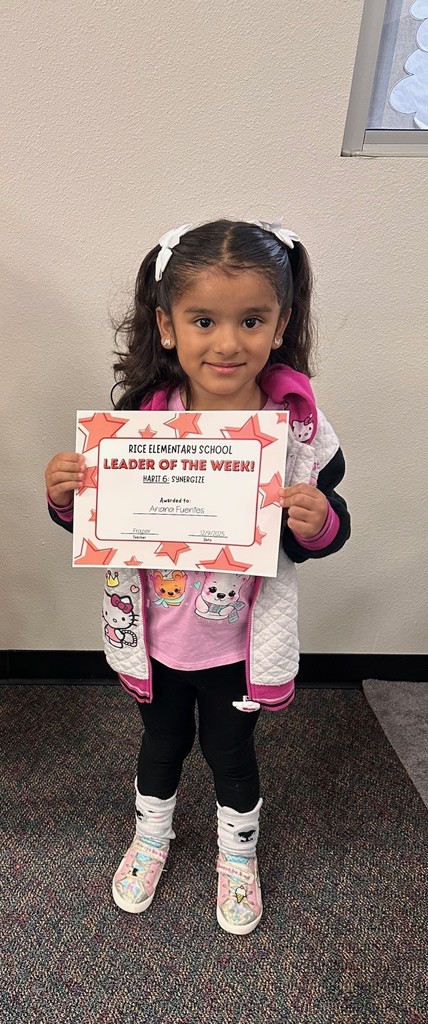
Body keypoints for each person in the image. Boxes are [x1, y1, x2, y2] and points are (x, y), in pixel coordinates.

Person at [45, 218, 350, 935]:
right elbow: (107, 531)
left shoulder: (299, 432)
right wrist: (68, 501)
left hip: (238, 646)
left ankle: (235, 854)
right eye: (204, 319)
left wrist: (318, 523)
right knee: (159, 745)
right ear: (168, 325)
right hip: (158, 637)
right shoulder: (137, 422)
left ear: (282, 325)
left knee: (230, 753)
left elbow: (330, 524)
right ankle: (152, 837)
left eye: (252, 320)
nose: (227, 341)